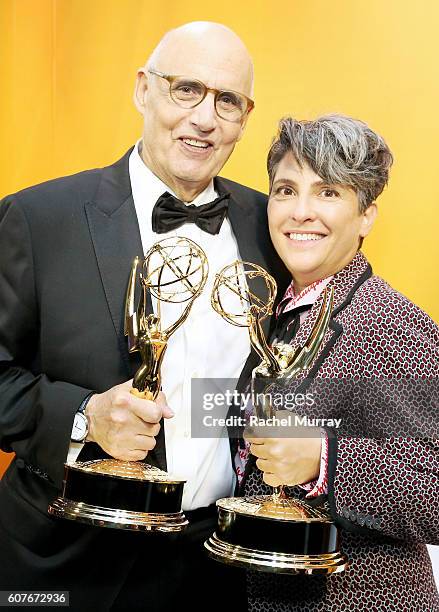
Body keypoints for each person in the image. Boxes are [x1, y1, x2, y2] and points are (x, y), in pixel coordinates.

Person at [0, 21, 288, 612]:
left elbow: (258, 389)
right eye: (187, 89)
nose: (205, 118)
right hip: (63, 566)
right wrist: (84, 418)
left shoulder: (274, 228)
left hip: (219, 571)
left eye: (227, 101)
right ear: (142, 90)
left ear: (244, 117)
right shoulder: (37, 219)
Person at [239, 115, 439, 611]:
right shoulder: (270, 310)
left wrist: (324, 460)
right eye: (286, 190)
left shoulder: (391, 323)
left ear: (366, 215)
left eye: (327, 192)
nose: (300, 211)